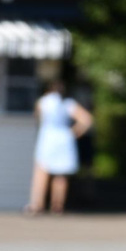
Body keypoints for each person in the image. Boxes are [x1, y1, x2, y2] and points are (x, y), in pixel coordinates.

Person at [27, 72, 92, 214]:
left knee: (41, 172)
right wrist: (73, 133)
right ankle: (57, 207)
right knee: (60, 175)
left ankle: (37, 204)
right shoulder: (68, 103)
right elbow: (87, 120)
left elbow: (36, 117)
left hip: (48, 138)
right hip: (64, 139)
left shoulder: (44, 101)